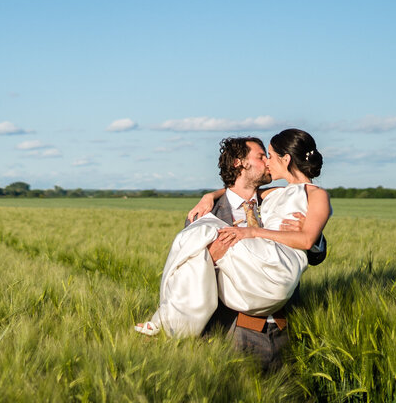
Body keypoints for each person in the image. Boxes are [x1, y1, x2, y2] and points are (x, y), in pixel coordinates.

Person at [135, 130, 331, 368]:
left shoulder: (274, 199)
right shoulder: (207, 213)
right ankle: (168, 319)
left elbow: (311, 247)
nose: (268, 162)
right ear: (240, 163)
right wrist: (210, 250)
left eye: (268, 155)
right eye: (261, 156)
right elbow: (191, 279)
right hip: (232, 332)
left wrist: (313, 235)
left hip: (283, 329)